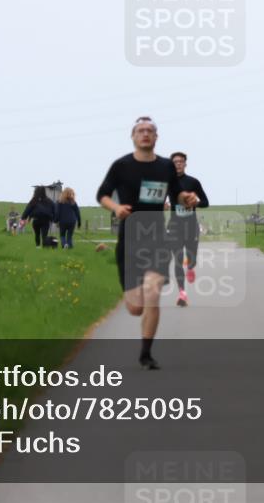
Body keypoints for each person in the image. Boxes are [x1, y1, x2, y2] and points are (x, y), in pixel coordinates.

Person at [96, 116, 199, 370]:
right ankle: (135, 304)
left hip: (157, 238)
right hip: (130, 240)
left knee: (153, 294)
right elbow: (102, 194)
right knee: (135, 308)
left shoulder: (165, 167)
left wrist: (189, 198)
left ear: (156, 137)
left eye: (150, 131)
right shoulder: (121, 165)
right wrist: (116, 207)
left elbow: (178, 193)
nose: (145, 134)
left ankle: (146, 354)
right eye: (140, 130)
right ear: (133, 136)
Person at [166, 152, 209, 307]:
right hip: (175, 227)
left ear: (185, 164)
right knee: (178, 261)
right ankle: (182, 294)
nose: (178, 164)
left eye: (181, 161)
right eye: (175, 162)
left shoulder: (193, 182)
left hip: (191, 226)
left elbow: (206, 202)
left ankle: (191, 267)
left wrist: (194, 203)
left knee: (191, 258)